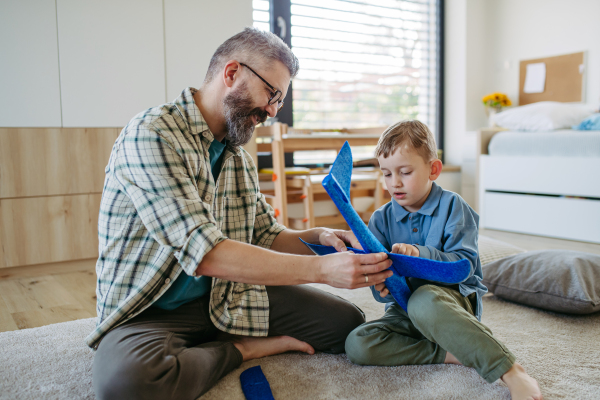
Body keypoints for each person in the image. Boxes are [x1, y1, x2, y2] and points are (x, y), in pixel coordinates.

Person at [88, 27, 393, 400]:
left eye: (279, 100)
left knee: (346, 325)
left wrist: (319, 239)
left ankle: (219, 338)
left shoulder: (237, 156)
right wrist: (321, 271)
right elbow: (207, 253)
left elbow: (266, 234)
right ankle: (240, 348)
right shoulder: (152, 135)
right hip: (152, 311)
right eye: (271, 94)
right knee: (129, 386)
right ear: (232, 73)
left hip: (224, 296)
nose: (273, 111)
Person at [344, 120, 543, 400]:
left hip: (449, 303)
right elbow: (380, 282)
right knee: (357, 344)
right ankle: (450, 352)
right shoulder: (380, 218)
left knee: (424, 300)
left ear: (433, 170)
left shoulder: (453, 207)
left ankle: (511, 370)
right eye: (386, 174)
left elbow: (463, 266)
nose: (395, 183)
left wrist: (419, 253)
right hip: (404, 310)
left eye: (405, 172)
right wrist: (379, 286)